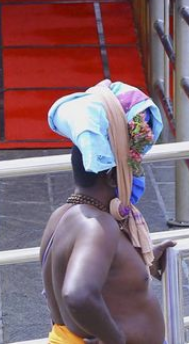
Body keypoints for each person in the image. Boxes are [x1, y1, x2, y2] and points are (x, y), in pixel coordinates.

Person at [41, 81, 173, 344]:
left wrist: (143, 260)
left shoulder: (64, 215)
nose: (135, 176)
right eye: (132, 169)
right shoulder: (97, 226)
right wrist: (116, 340)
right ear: (113, 175)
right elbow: (78, 295)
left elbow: (106, 279)